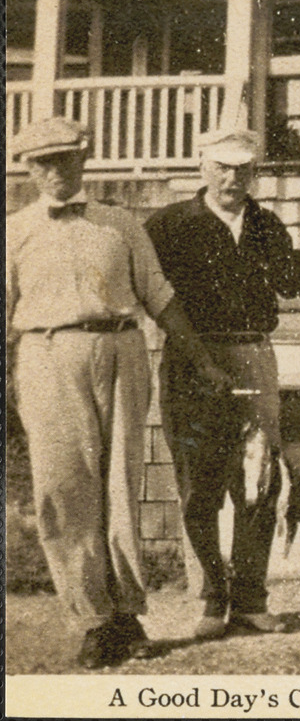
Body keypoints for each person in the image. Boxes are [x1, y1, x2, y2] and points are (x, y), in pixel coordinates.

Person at [6, 117, 231, 667]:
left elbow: (160, 295)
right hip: (47, 354)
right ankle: (92, 618)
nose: (55, 170)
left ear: (85, 158)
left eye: (64, 158)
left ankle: (127, 614)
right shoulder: (13, 230)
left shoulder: (122, 224)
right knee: (62, 487)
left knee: (120, 481)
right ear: (29, 169)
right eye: (43, 162)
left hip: (123, 350)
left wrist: (204, 362)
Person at [146, 127, 300, 641]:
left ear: (254, 173)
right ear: (202, 165)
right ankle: (212, 597)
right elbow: (150, 294)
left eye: (243, 169)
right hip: (191, 358)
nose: (232, 178)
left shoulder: (266, 224)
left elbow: (292, 283)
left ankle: (250, 599)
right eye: (222, 167)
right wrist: (195, 354)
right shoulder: (168, 225)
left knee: (258, 479)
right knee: (198, 484)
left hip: (253, 355)